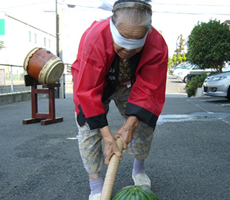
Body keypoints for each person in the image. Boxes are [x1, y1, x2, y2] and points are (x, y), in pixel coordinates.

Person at [71, 0, 168, 199]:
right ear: (113, 28)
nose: (127, 53)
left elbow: (149, 89)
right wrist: (107, 136)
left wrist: (130, 124)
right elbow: (88, 90)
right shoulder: (95, 36)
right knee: (88, 130)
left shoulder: (157, 44)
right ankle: (96, 185)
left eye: (134, 48)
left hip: (131, 85)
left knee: (142, 126)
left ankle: (138, 170)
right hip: (97, 84)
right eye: (122, 46)